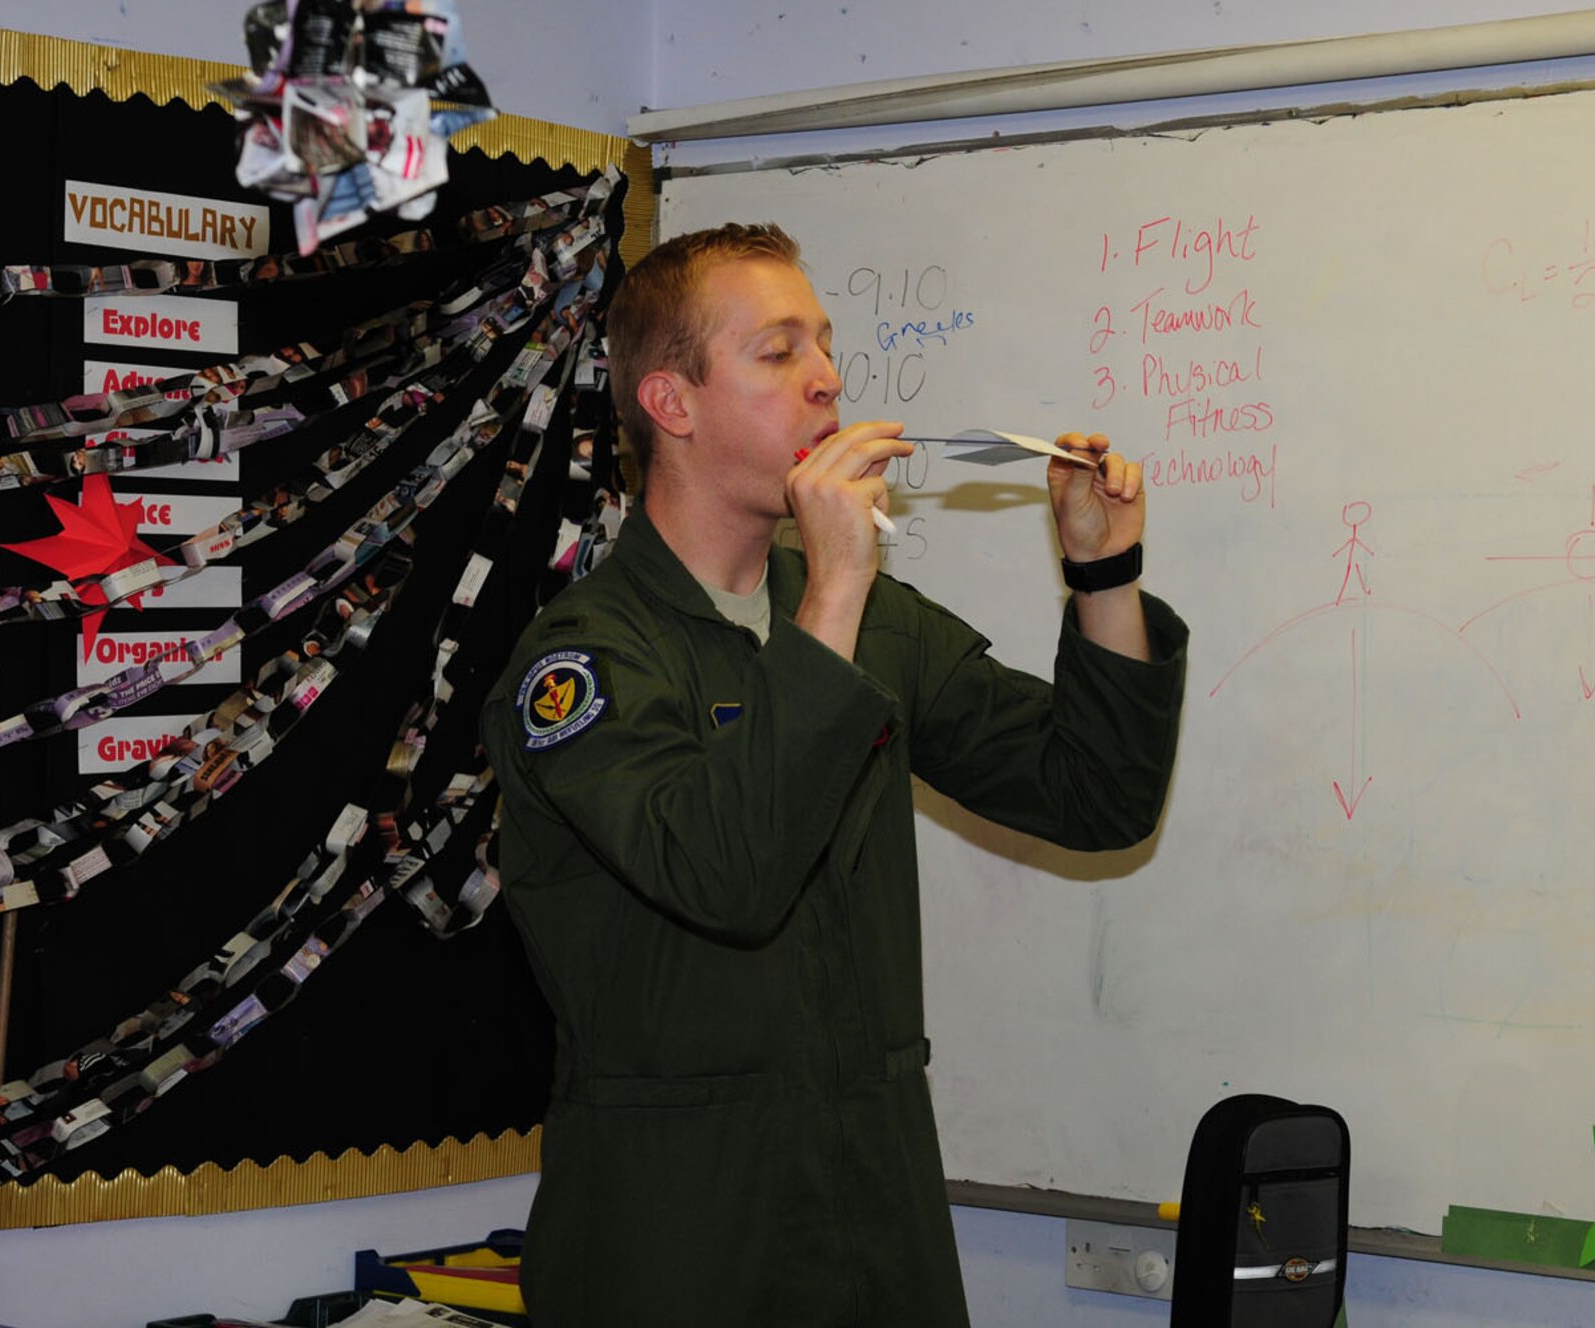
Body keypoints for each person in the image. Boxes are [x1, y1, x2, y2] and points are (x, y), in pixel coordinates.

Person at [479, 223, 1189, 1326]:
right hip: (678, 1235)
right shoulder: (586, 664)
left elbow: (1095, 795)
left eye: (823, 344)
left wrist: (1103, 570)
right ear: (671, 402)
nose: (826, 379)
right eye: (776, 352)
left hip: (874, 1216)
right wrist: (835, 590)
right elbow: (726, 876)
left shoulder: (871, 617)